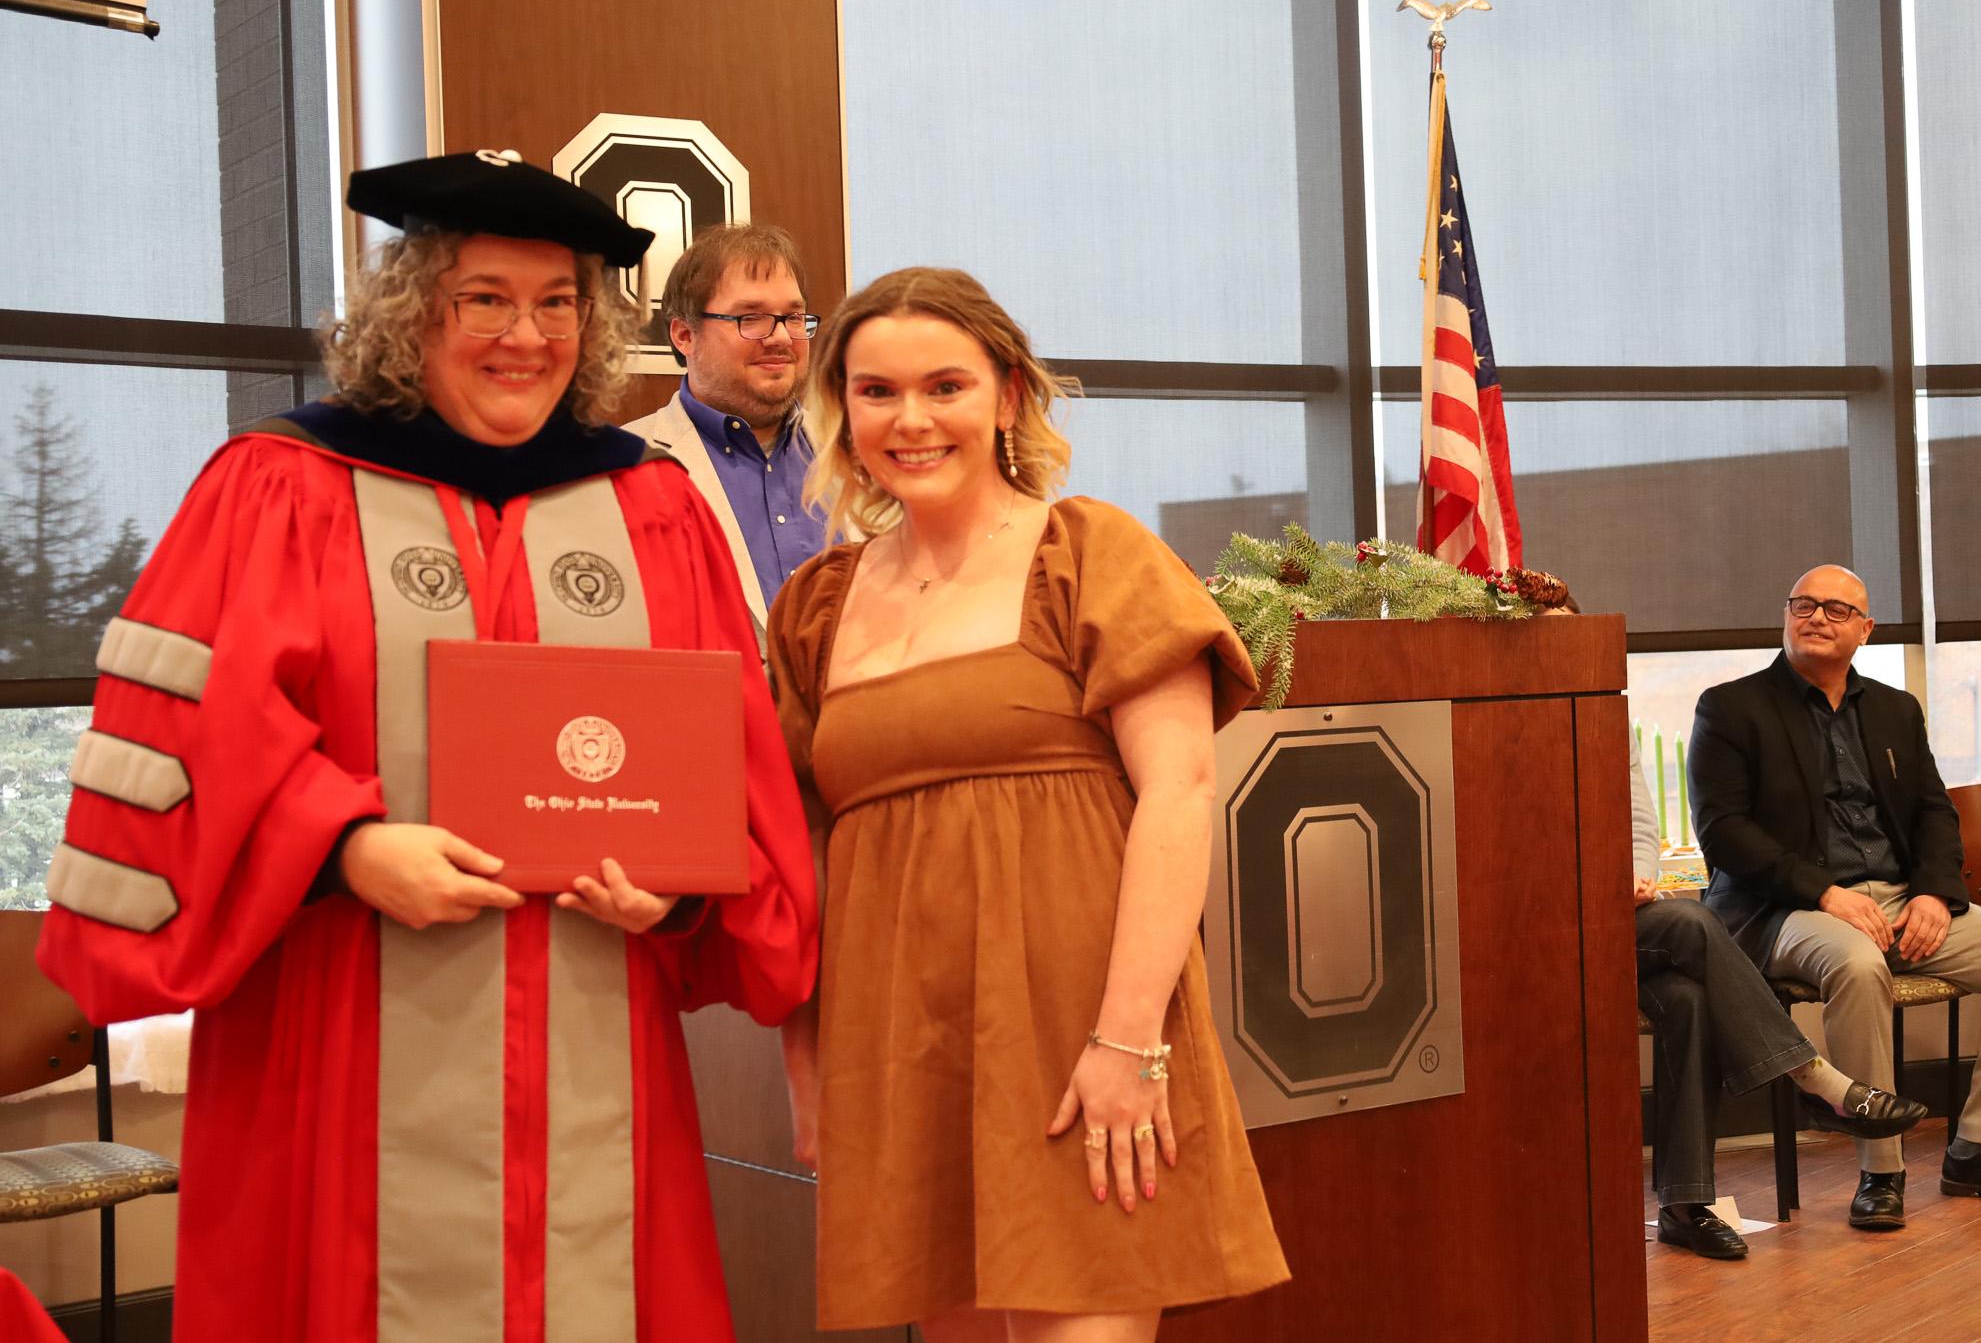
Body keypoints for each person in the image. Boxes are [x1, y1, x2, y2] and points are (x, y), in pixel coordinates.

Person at [35, 152, 818, 1342]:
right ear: (414, 315)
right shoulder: (279, 486)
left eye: (556, 302)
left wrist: (672, 896)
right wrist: (341, 846)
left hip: (591, 1019)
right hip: (341, 1012)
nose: (526, 335)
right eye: (484, 300)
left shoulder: (648, 507)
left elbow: (724, 766)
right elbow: (195, 730)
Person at [767, 267, 1288, 1339]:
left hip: (1081, 1036)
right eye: (876, 393)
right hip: (901, 1047)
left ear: (1007, 395)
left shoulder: (1089, 553)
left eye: (943, 385)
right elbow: (800, 855)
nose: (910, 420)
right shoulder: (815, 607)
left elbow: (1181, 791)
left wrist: (1128, 1045)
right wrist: (808, 1069)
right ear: (842, 408)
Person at [1690, 564, 1981, 1231]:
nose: (1815, 616)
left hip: (1898, 899)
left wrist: (1935, 896)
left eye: (1834, 607)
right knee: (1857, 963)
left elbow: (1933, 815)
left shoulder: (1892, 708)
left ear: (1864, 628)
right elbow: (1723, 832)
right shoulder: (1730, 707)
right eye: (1802, 604)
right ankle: (1879, 1169)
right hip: (1784, 909)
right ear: (1785, 613)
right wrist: (1823, 890)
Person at [1629, 733, 1924, 1259]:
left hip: (1619, 916)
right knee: (1694, 922)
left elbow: (1637, 823)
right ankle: (1812, 1079)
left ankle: (1683, 1204)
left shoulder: (1604, 713)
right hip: (1539, 915)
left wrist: (1638, 873)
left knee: (1688, 999)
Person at [625, 223, 823, 635]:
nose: (782, 337)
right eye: (751, 318)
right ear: (684, 335)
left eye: (793, 316)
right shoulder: (624, 468)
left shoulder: (859, 452)